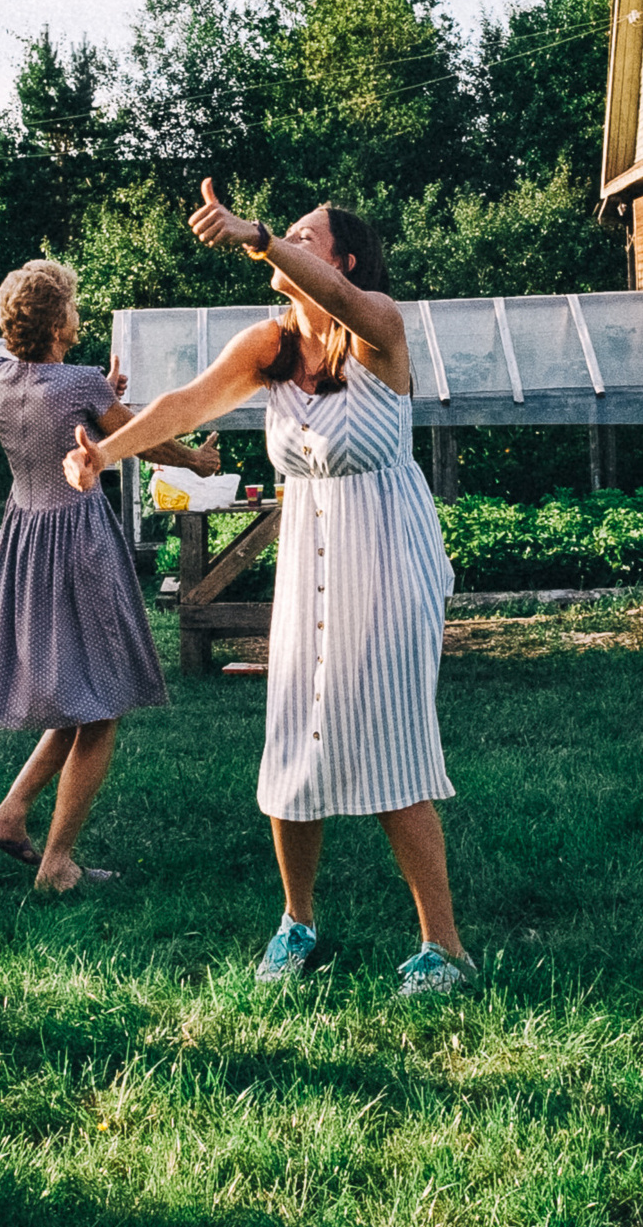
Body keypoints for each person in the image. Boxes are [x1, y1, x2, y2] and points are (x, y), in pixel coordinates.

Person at [64, 181, 475, 996]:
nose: (285, 242)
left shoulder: (379, 329)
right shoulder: (270, 346)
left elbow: (341, 302)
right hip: (310, 563)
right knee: (294, 737)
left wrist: (255, 234)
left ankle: (445, 949)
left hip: (389, 558)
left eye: (303, 236)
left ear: (343, 261)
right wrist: (105, 454)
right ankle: (297, 924)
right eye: (282, 233)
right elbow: (186, 404)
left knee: (393, 737)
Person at [0, 260, 222, 892]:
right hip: (78, 544)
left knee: (76, 689)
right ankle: (57, 864)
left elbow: (53, 406)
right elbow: (140, 437)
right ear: (59, 323)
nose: (77, 314)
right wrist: (195, 459)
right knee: (103, 700)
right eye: (72, 307)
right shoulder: (79, 382)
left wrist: (97, 395)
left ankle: (10, 814)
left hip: (28, 540)